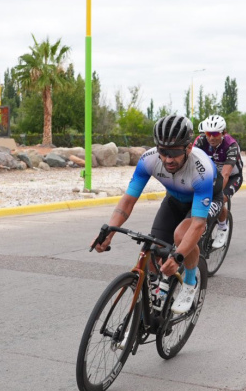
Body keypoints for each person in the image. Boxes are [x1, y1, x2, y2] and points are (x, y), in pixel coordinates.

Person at [92, 115, 217, 315]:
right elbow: (128, 201)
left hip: (206, 198)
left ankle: (190, 282)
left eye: (174, 152)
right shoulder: (148, 159)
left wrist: (178, 257)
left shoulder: (202, 171)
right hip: (175, 198)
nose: (168, 159)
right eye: (163, 151)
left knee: (181, 236)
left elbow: (198, 225)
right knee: (154, 248)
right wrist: (109, 232)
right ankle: (155, 299)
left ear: (189, 148)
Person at [194, 114, 242, 249]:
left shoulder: (231, 145)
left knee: (219, 200)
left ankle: (222, 227)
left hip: (232, 177)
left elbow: (225, 174)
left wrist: (216, 196)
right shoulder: (201, 141)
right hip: (212, 174)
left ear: (223, 133)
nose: (211, 137)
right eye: (208, 133)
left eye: (215, 134)